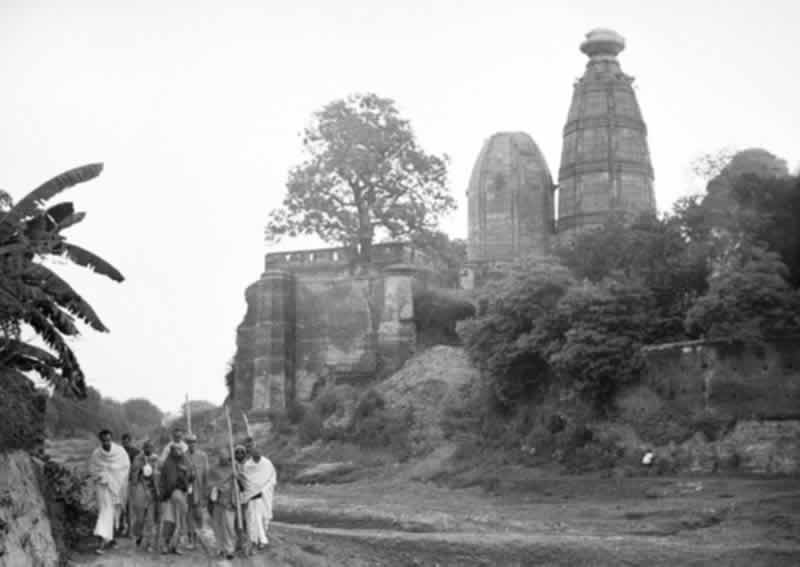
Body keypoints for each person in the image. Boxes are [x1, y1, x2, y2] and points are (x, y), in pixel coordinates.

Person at [88, 429, 130, 555]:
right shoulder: (96, 454)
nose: (106, 442)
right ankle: (102, 542)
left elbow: (126, 466)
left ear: (111, 439)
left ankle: (111, 540)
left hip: (116, 487)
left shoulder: (120, 451)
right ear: (100, 440)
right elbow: (93, 470)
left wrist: (112, 471)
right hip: (103, 487)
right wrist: (102, 475)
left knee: (114, 514)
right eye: (104, 440)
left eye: (108, 440)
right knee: (105, 512)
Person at [237, 443, 276, 551]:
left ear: (261, 452)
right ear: (251, 453)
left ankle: (260, 539)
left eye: (258, 451)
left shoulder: (267, 463)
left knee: (262, 519)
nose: (256, 453)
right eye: (254, 451)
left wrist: (263, 490)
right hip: (252, 497)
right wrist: (252, 491)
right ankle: (258, 541)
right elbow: (246, 481)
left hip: (264, 496)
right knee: (254, 519)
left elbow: (272, 479)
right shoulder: (247, 466)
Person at [158, 442, 193, 555]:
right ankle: (165, 545)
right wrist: (164, 494)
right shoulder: (167, 464)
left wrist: (185, 474)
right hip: (168, 497)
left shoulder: (185, 462)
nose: (177, 452)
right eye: (174, 450)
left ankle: (176, 546)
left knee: (180, 521)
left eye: (179, 450)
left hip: (181, 495)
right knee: (169, 522)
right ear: (171, 451)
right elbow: (163, 481)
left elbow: (191, 477)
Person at [129, 440, 160, 551]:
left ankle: (149, 542)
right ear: (143, 448)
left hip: (152, 491)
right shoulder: (137, 459)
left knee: (150, 519)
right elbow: (133, 476)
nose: (149, 450)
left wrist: (154, 473)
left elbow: (159, 474)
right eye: (146, 448)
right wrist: (141, 471)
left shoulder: (156, 459)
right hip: (140, 489)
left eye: (151, 448)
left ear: (153, 448)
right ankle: (139, 535)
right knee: (140, 518)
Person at [208, 466, 239, 560]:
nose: (223, 459)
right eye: (221, 457)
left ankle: (230, 550)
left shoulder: (234, 468)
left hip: (229, 504)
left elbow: (240, 486)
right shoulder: (214, 469)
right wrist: (226, 480)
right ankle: (220, 548)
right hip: (218, 503)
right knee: (217, 526)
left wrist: (236, 477)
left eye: (225, 457)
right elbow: (211, 485)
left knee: (229, 527)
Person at [185, 433, 209, 549]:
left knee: (199, 515)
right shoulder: (183, 456)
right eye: (189, 442)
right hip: (188, 492)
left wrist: (206, 493)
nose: (191, 444)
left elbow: (206, 476)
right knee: (189, 516)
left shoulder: (203, 456)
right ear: (186, 443)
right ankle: (190, 539)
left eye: (193, 442)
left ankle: (199, 538)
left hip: (199, 491)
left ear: (196, 443)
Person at [119, 433, 140, 536]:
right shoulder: (118, 452)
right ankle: (121, 528)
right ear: (122, 441)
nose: (126, 443)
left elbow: (138, 467)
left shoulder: (136, 452)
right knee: (121, 505)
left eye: (127, 441)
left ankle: (130, 530)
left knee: (129, 506)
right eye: (124, 441)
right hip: (120, 482)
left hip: (131, 482)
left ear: (130, 441)